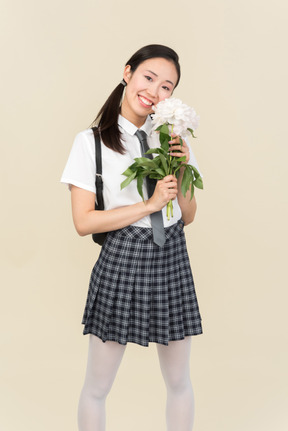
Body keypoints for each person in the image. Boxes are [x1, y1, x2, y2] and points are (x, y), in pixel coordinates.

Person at [61, 44, 203, 431]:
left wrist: (184, 166)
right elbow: (83, 222)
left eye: (167, 86)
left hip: (172, 254)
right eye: (149, 77)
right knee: (97, 386)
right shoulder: (89, 143)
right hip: (123, 256)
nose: (155, 91)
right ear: (128, 73)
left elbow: (187, 215)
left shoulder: (171, 138)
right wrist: (149, 204)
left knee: (179, 381)